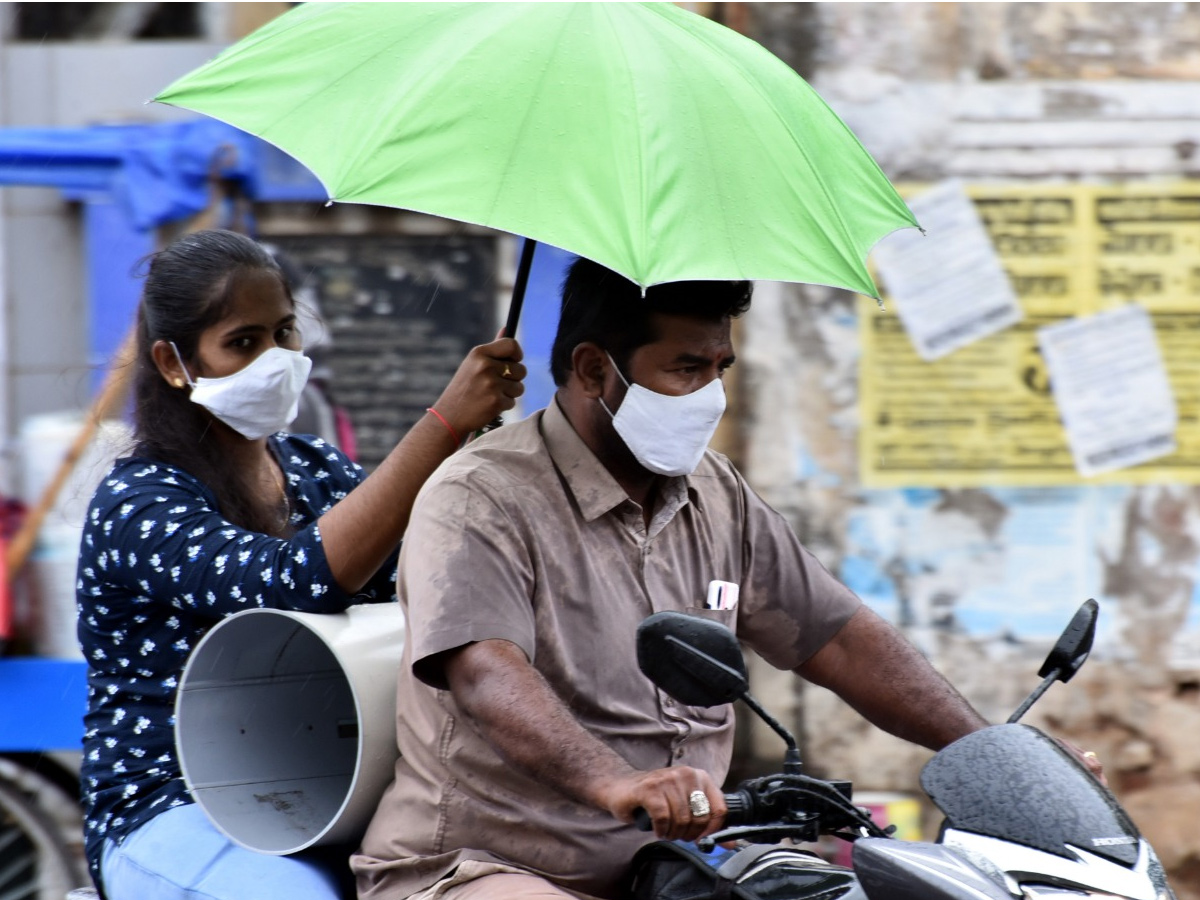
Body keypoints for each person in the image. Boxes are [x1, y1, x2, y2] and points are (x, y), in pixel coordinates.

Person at [351, 257, 1002, 900]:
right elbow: (485, 671)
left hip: (671, 868)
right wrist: (617, 782)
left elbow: (836, 640)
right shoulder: (480, 495)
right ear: (593, 369)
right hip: (483, 868)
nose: (711, 396)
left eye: (720, 369)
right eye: (686, 369)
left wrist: (996, 756)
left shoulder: (717, 493)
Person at [76, 229, 525, 900]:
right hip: (172, 809)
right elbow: (294, 581)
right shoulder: (139, 501)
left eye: (284, 333)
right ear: (173, 363)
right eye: (243, 343)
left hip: (329, 796)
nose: (277, 358)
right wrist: (444, 425)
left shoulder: (313, 468)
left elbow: (420, 580)